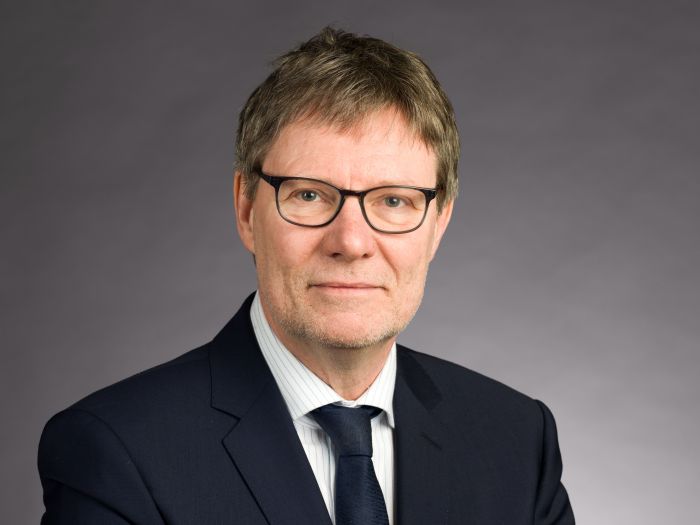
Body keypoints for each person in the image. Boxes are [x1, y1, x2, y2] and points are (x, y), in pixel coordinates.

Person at [38, 27, 574, 524]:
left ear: (438, 224)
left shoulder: (517, 441)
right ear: (246, 209)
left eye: (394, 201)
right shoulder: (117, 451)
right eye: (311, 195)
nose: (351, 242)